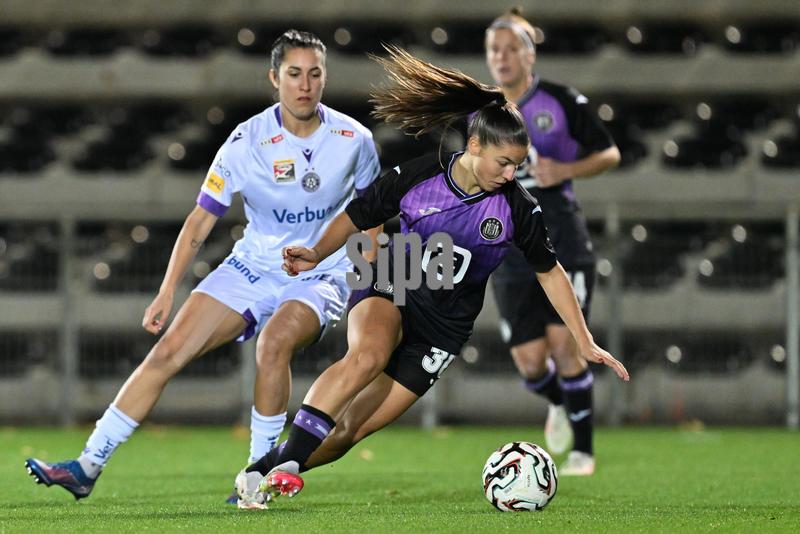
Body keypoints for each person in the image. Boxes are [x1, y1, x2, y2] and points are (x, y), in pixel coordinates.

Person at [234, 46, 629, 509]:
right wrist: (316, 252)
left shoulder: (518, 209)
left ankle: (264, 470)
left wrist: (582, 339)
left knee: (351, 432)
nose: (511, 173)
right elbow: (359, 214)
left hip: (444, 326)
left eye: (517, 164)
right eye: (503, 162)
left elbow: (551, 272)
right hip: (395, 275)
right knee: (368, 354)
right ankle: (289, 464)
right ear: (475, 145)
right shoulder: (421, 175)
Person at [24, 29, 381, 503]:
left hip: (321, 271)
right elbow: (200, 220)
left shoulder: (354, 139)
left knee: (273, 344)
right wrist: (167, 290)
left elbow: (373, 217)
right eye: (294, 74)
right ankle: (87, 466)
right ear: (274, 78)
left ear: (324, 78)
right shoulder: (246, 140)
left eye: (315, 74)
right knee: (168, 351)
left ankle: (256, 479)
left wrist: (369, 282)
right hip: (253, 265)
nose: (305, 84)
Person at [485, 7, 621, 476]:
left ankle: (583, 452)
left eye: (510, 48)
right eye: (494, 50)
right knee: (529, 361)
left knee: (566, 345)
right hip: (506, 241)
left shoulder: (559, 100)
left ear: (530, 53)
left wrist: (564, 170)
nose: (501, 57)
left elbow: (610, 152)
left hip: (560, 231)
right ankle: (561, 403)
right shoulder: (481, 112)